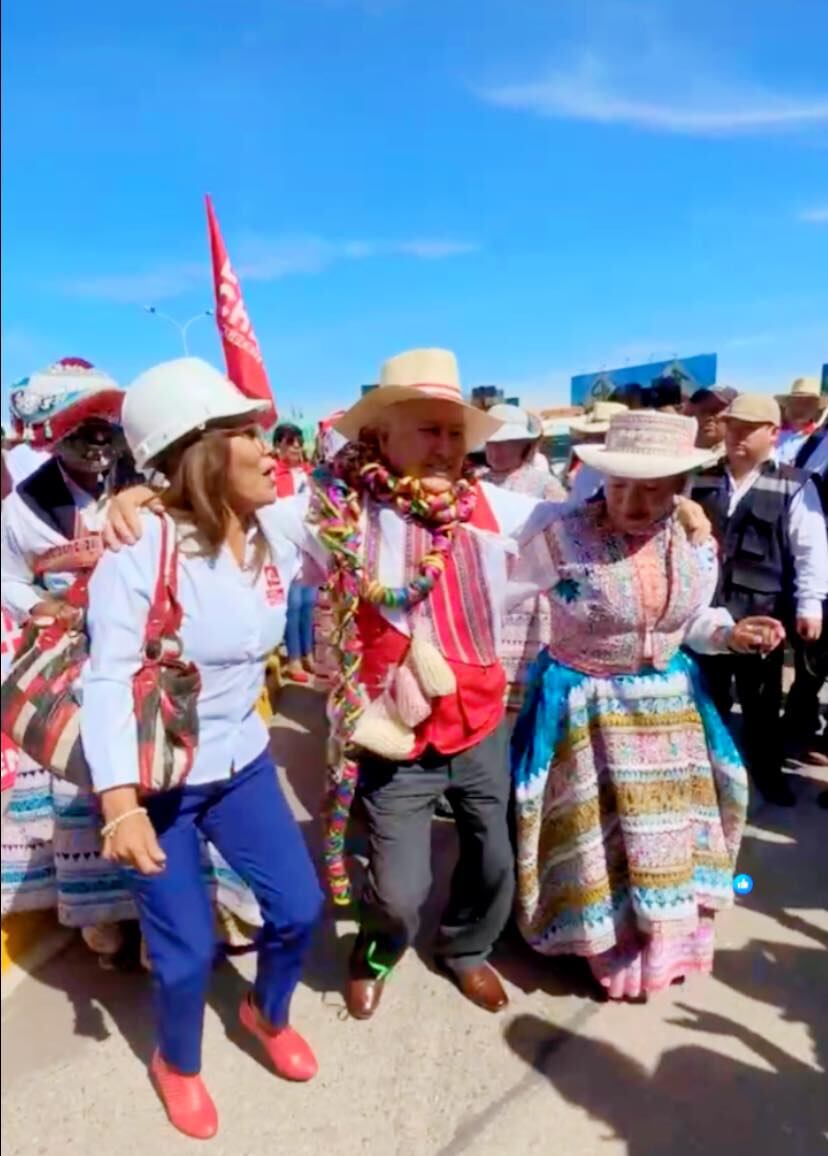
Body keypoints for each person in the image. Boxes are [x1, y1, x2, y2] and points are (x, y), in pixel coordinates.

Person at [105, 348, 541, 1022]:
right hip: (393, 733)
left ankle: (467, 952)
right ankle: (376, 949)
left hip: (480, 720)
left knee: (494, 860)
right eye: (429, 430)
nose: (446, 448)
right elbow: (210, 509)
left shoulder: (496, 507)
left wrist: (682, 515)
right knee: (399, 890)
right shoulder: (329, 510)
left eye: (456, 434)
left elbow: (586, 518)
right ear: (381, 435)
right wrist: (144, 495)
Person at [83, 358, 322, 1139]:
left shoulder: (275, 530)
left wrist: (687, 518)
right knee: (184, 957)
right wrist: (120, 807)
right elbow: (109, 678)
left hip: (242, 763)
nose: (270, 449)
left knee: (300, 910)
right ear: (198, 451)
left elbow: (383, 487)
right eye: (247, 435)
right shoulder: (140, 545)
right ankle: (176, 1063)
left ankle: (265, 1011)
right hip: (160, 784)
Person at [509, 410, 782, 1000]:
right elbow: (501, 598)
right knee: (597, 840)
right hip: (586, 713)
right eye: (620, 485)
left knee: (659, 839)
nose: (631, 502)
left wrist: (731, 635)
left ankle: (660, 944)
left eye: (651, 488)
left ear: (680, 488)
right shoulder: (560, 535)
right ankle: (597, 947)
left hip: (668, 712)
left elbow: (688, 623)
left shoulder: (688, 541)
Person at [1, 359, 135, 958]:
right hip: (71, 658)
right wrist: (37, 608)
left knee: (149, 773)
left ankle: (168, 907)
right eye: (85, 432)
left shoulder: (143, 487)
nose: (99, 445)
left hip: (138, 651)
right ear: (58, 437)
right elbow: (8, 577)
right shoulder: (23, 509)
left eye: (106, 431)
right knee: (76, 780)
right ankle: (97, 914)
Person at [691, 394, 828, 805]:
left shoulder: (796, 482)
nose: (735, 434)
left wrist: (810, 604)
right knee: (707, 702)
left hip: (763, 617)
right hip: (706, 615)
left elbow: (809, 548)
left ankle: (766, 776)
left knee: (761, 705)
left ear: (772, 432)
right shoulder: (701, 478)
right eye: (732, 425)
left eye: (747, 427)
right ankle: (709, 781)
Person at [272, 422, 318, 685]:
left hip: (308, 546)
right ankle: (294, 658)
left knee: (309, 603)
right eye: (290, 443)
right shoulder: (272, 475)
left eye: (299, 442)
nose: (297, 448)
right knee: (293, 604)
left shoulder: (310, 473)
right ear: (278, 446)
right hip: (286, 548)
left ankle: (309, 653)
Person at [483, 404, 566, 501]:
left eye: (505, 442)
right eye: (490, 442)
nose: (495, 448)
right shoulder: (475, 482)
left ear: (524, 444)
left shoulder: (546, 485)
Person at [566, 401, 628, 506]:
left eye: (596, 436)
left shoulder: (631, 470)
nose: (588, 439)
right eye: (590, 435)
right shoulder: (587, 467)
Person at [775, 376, 827, 466]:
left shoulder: (821, 440)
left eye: (808, 403)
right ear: (788, 403)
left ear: (816, 408)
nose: (801, 407)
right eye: (796, 401)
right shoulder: (769, 432)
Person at [684, 386, 739, 453]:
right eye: (704, 410)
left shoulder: (734, 458)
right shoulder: (676, 447)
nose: (710, 417)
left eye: (716, 411)